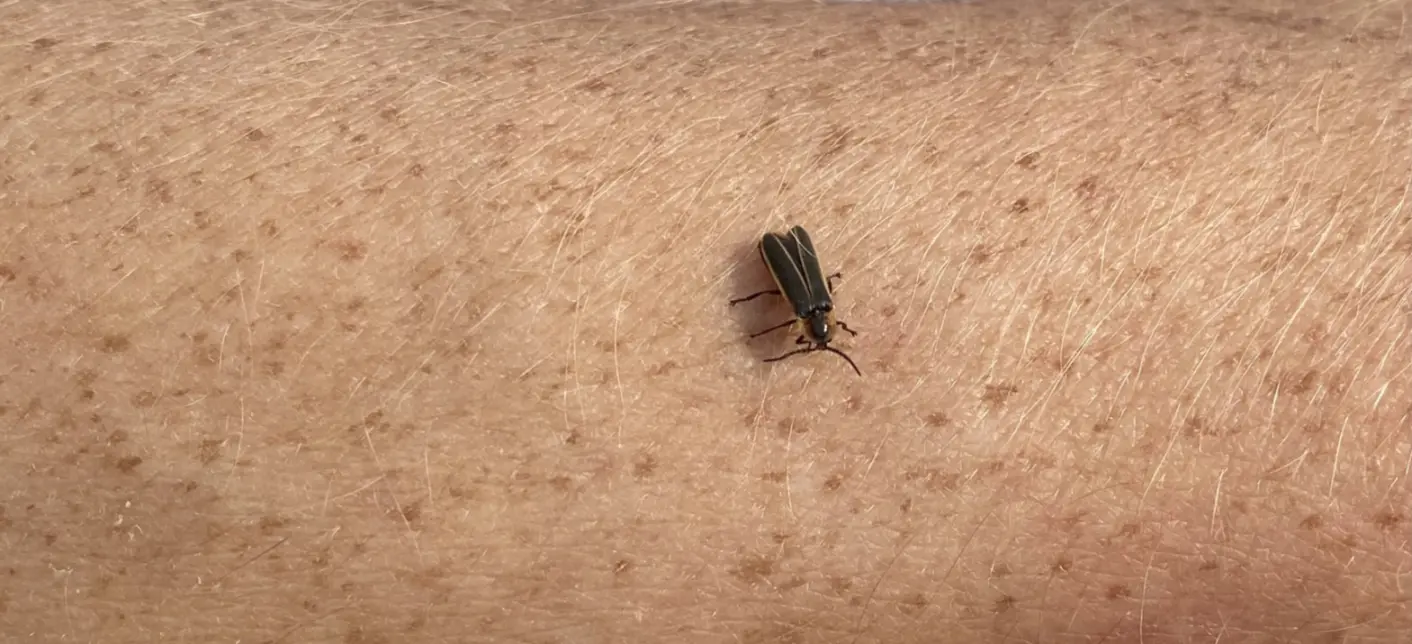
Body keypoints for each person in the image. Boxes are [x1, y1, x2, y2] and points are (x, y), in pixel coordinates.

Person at [3, 0, 1408, 641]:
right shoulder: (805, 298)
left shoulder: (812, 306)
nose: (801, 329)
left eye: (804, 330)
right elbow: (786, 272)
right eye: (804, 329)